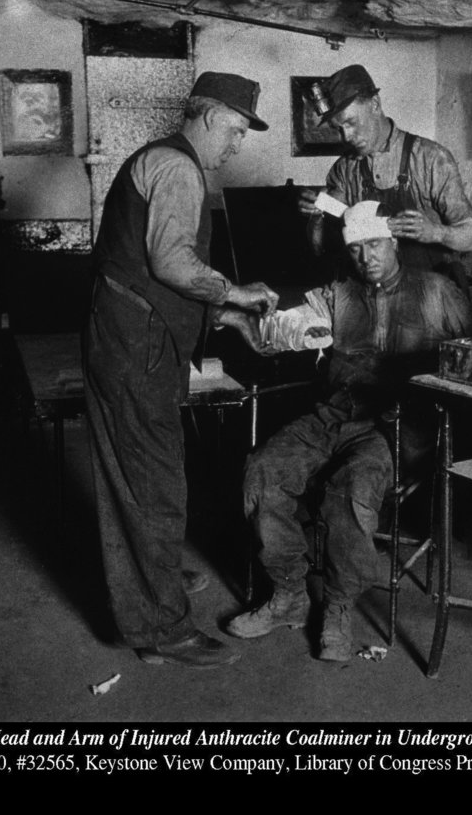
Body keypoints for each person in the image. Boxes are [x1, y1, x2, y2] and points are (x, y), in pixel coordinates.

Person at [225, 201, 472, 661]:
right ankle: (288, 595)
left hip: (397, 424)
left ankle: (339, 606)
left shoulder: (438, 292)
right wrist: (284, 328)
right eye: (357, 248)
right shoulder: (337, 294)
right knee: (263, 472)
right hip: (333, 412)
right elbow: (287, 327)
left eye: (375, 244)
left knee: (350, 490)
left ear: (395, 242)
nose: (367, 257)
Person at [83, 71, 279, 669]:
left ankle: (153, 581)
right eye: (239, 131)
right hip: (135, 348)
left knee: (138, 478)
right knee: (154, 484)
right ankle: (161, 628)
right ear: (213, 115)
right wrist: (240, 294)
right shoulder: (178, 169)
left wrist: (223, 317)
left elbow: (153, 267)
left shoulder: (164, 161)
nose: (238, 146)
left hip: (129, 339)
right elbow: (171, 264)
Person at [297, 64, 472, 560]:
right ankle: (389, 508)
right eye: (339, 128)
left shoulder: (429, 158)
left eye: (352, 122)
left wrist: (436, 233)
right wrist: (313, 219)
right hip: (378, 301)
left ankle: (470, 518)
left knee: (464, 405)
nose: (347, 136)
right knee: (383, 400)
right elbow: (331, 245)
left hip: (436, 298)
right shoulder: (345, 171)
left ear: (376, 103)